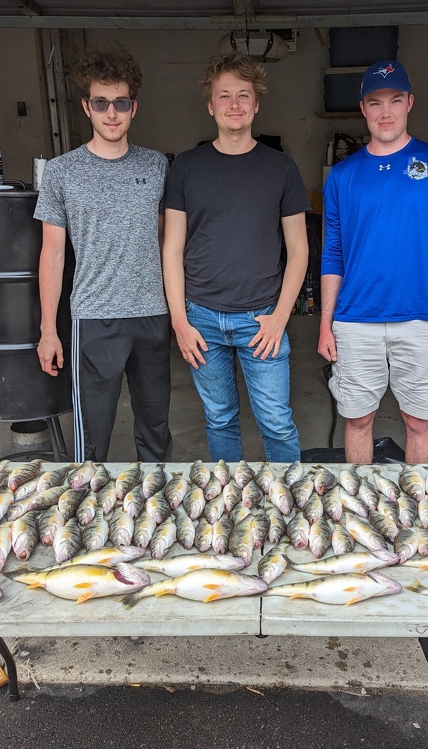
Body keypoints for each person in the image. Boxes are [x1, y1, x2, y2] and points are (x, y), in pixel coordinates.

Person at [318, 60, 428, 465]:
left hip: (422, 318)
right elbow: (333, 253)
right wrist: (325, 323)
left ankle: (416, 501)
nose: (386, 112)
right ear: (363, 108)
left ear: (409, 103)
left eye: (395, 100)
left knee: (418, 421)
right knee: (357, 419)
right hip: (354, 320)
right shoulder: (342, 176)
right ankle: (359, 499)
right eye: (375, 102)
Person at [162, 52, 309, 463]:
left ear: (256, 104)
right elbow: (171, 249)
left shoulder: (281, 168)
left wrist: (280, 317)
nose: (234, 104)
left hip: (261, 318)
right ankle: (229, 497)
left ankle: (290, 498)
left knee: (276, 422)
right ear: (210, 106)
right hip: (201, 318)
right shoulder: (186, 167)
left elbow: (299, 250)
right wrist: (180, 322)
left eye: (243, 95)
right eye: (224, 95)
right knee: (220, 419)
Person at [34, 46, 172, 463]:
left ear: (134, 107)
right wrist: (48, 330)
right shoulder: (61, 171)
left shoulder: (157, 166)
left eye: (121, 103)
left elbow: (167, 243)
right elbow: (52, 254)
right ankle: (89, 498)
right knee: (92, 437)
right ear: (86, 107)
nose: (112, 113)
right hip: (95, 318)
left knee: (156, 430)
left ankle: (155, 498)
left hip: (152, 315)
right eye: (101, 103)